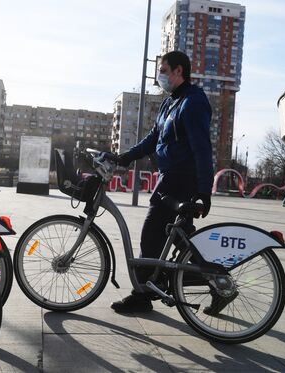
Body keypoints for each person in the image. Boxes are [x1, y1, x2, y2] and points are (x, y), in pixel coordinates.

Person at [110, 51, 214, 313]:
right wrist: (125, 157)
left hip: (182, 179)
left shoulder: (193, 102)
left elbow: (202, 149)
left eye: (164, 70)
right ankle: (213, 280)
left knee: (151, 234)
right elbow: (153, 140)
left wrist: (203, 190)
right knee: (179, 237)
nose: (160, 76)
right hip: (169, 177)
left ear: (179, 71)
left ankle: (143, 294)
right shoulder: (170, 103)